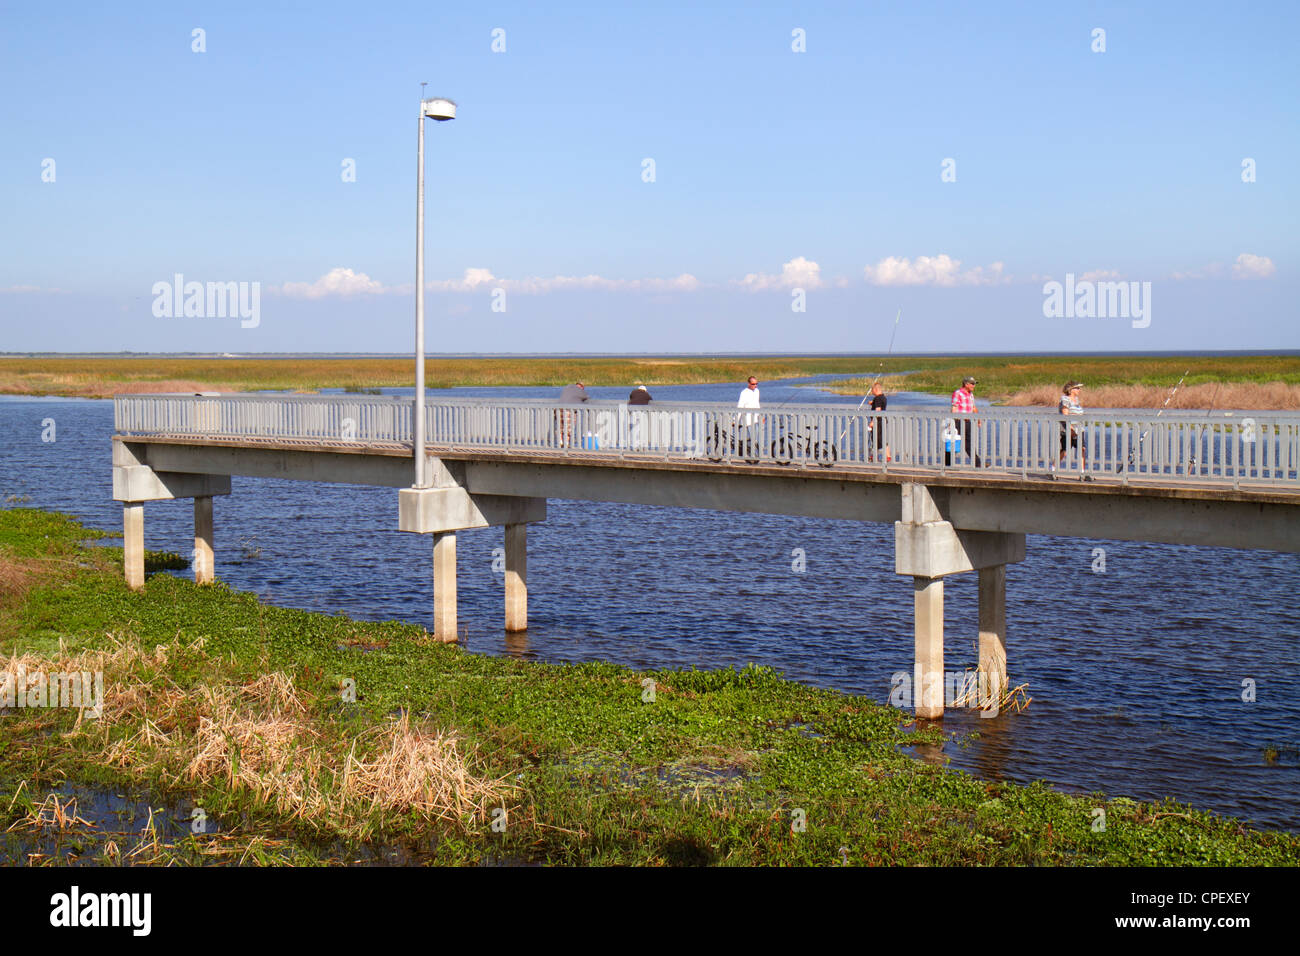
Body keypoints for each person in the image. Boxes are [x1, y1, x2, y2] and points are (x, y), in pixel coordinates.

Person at [1052, 381, 1092, 481]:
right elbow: (1065, 414)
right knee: (1064, 451)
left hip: (1080, 429)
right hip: (1069, 430)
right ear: (1071, 390)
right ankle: (1052, 470)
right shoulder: (1065, 399)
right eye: (1077, 388)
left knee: (1082, 449)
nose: (1079, 390)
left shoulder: (1077, 400)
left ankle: (1082, 473)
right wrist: (1071, 429)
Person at [947, 375, 982, 467]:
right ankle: (947, 464)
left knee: (968, 443)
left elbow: (973, 408)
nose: (974, 386)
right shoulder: (958, 393)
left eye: (974, 384)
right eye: (972, 384)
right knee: (953, 442)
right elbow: (954, 407)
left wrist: (978, 419)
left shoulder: (971, 394)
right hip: (958, 421)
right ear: (966, 384)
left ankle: (977, 464)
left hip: (967, 422)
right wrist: (951, 422)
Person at [555, 382, 589, 447]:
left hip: (558, 409)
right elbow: (586, 397)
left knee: (560, 426)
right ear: (582, 387)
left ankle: (560, 442)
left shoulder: (568, 387)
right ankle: (567, 443)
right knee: (569, 427)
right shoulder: (580, 391)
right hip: (569, 410)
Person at [868, 381, 891, 461]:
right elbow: (880, 405)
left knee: (876, 439)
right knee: (881, 439)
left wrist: (872, 422)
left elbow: (878, 410)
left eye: (872, 390)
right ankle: (886, 456)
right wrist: (872, 403)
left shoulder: (877, 398)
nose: (871, 392)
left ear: (876, 389)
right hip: (883, 421)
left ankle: (876, 456)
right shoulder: (883, 397)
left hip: (878, 422)